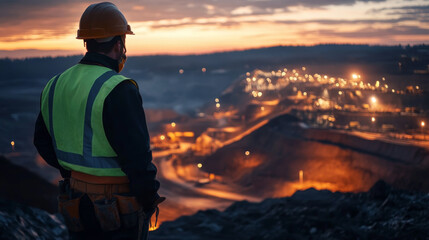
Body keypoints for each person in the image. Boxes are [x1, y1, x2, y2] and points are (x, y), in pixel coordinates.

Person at [33, 2, 163, 239]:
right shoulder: (118, 88)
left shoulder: (54, 84)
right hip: (116, 212)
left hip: (74, 203)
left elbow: (41, 141)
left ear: (87, 43)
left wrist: (74, 174)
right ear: (118, 43)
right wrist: (148, 199)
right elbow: (137, 159)